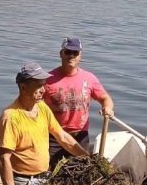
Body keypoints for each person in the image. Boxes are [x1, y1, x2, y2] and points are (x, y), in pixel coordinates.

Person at [0, 63, 90, 185]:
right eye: (38, 85)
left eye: (44, 85)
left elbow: (62, 137)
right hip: (22, 184)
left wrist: (88, 158)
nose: (43, 90)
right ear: (23, 87)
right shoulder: (11, 117)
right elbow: (3, 159)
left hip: (44, 178)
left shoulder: (42, 107)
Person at [44, 37, 114, 168]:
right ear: (61, 53)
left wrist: (107, 108)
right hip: (55, 136)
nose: (71, 56)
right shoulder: (48, 80)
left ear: (80, 56)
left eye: (75, 53)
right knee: (52, 174)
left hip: (80, 136)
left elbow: (105, 98)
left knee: (80, 173)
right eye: (68, 52)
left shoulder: (89, 78)